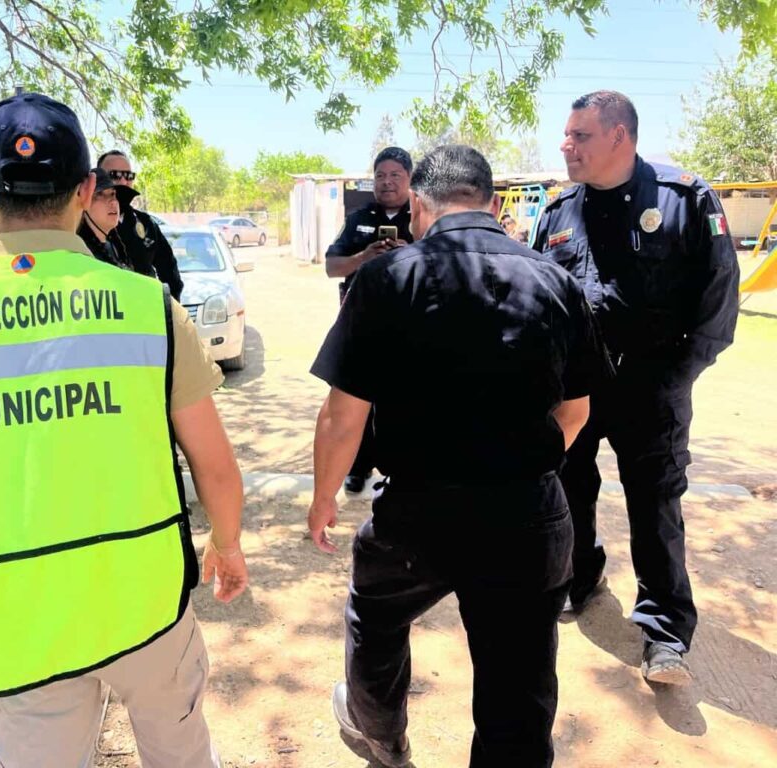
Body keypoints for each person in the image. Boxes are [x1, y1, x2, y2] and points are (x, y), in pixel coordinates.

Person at [0, 92, 249, 768]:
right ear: (84, 189)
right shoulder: (147, 309)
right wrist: (226, 543)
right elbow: (216, 467)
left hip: (16, 622)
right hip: (145, 601)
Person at [308, 145, 611, 768]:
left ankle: (382, 736)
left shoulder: (387, 279)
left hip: (417, 513)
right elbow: (575, 413)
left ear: (418, 204)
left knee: (375, 617)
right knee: (519, 687)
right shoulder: (556, 280)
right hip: (528, 515)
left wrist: (321, 502)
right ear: (495, 205)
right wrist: (517, 464)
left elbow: (343, 418)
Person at [534, 91, 740, 685]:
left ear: (619, 136)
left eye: (580, 136)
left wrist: (678, 375)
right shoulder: (558, 211)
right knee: (570, 488)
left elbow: (719, 298)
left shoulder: (683, 198)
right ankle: (582, 578)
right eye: (567, 135)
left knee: (654, 504)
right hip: (577, 389)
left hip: (652, 387)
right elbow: (540, 300)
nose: (566, 145)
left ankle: (666, 632)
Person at [324, 146, 414, 494]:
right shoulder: (359, 217)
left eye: (395, 175)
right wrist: (363, 256)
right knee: (356, 397)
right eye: (380, 175)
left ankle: (398, 471)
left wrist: (410, 252)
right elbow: (332, 267)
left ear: (409, 180)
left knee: (402, 399)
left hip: (409, 325)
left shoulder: (421, 215)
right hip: (360, 324)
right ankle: (357, 468)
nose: (387, 182)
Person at [98, 150, 185, 299]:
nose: (123, 182)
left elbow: (169, 271)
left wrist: (168, 311)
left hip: (143, 315)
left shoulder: (146, 224)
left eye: (128, 176)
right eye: (114, 176)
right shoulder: (83, 223)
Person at [77, 167, 134, 268]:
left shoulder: (115, 246)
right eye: (99, 194)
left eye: (113, 194)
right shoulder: (80, 253)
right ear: (85, 203)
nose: (113, 201)